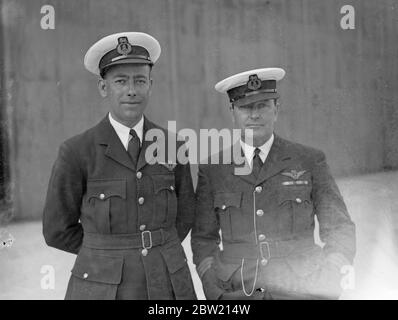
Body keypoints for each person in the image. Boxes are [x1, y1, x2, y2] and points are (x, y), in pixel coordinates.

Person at [43, 32, 197, 300]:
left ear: (151, 85)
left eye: (140, 80)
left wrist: (158, 248)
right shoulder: (77, 151)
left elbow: (185, 215)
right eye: (120, 81)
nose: (131, 90)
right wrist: (104, 252)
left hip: (166, 283)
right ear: (104, 88)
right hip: (102, 287)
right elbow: (57, 229)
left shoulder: (173, 146)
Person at [191, 67, 356, 300]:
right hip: (239, 291)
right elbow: (203, 238)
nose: (254, 115)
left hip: (302, 288)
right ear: (232, 112)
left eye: (262, 106)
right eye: (245, 107)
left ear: (276, 110)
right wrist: (214, 289)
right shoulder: (214, 169)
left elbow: (339, 226)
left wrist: (330, 278)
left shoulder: (309, 160)